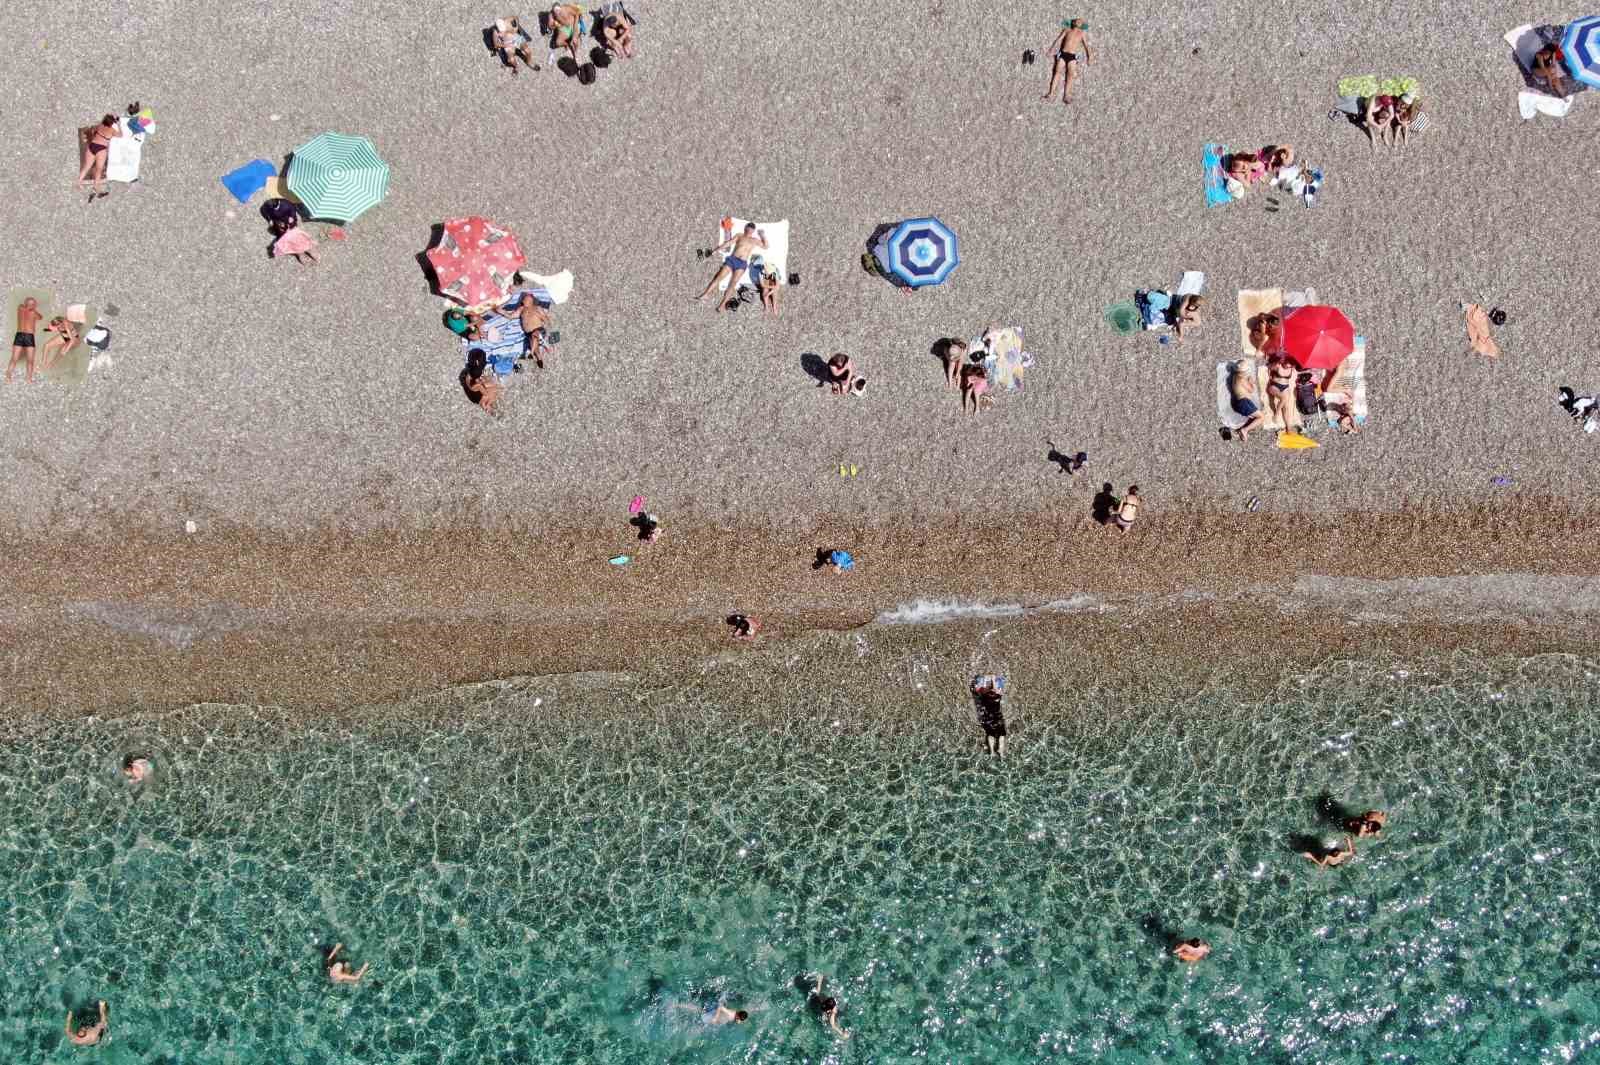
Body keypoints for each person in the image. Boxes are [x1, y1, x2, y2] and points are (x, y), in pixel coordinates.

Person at [695, 224, 768, 312]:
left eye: (751, 229)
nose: (749, 230)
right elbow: (728, 243)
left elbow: (766, 246)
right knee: (718, 278)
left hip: (742, 264)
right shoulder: (739, 235)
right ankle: (705, 295)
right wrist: (715, 250)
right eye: (748, 228)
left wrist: (762, 235)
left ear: (753, 231)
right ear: (745, 228)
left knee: (732, 284)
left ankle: (722, 305)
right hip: (732, 259)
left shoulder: (754, 240)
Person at [1041, 19, 1092, 104]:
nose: (1078, 22)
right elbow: (1058, 40)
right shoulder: (1067, 30)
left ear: (1081, 25)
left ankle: (1066, 95)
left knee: (1070, 75)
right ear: (1073, 22)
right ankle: (1051, 93)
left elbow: (1086, 46)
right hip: (1063, 54)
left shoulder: (1082, 33)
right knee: (1057, 72)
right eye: (1077, 20)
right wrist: (1051, 50)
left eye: (1080, 22)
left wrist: (1089, 57)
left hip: (1072, 56)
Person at [504, 293, 554, 368]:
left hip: (539, 329)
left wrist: (541, 317)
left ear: (531, 300)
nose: (523, 300)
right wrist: (501, 311)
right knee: (534, 343)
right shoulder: (521, 309)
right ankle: (539, 358)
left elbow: (546, 319)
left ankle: (531, 353)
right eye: (523, 299)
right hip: (528, 333)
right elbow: (510, 316)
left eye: (525, 299)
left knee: (535, 334)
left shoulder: (537, 308)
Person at [77, 115, 118, 199]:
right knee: (99, 169)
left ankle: (78, 183)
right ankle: (97, 188)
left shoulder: (99, 126)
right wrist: (118, 124)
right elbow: (120, 135)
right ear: (112, 123)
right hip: (101, 149)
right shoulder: (112, 130)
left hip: (92, 146)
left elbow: (93, 130)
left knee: (86, 166)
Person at [1226, 360, 1266, 441]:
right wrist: (1251, 382)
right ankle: (1244, 430)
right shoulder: (1242, 379)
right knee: (1261, 417)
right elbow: (1251, 390)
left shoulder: (1235, 376)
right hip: (1243, 403)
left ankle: (1240, 430)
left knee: (1254, 416)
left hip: (1238, 402)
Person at [8, 296, 43, 384]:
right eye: (34, 303)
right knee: (30, 360)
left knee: (14, 358)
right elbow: (40, 317)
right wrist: (34, 310)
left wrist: (29, 306)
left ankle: (8, 375)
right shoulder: (34, 312)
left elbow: (22, 306)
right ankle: (28, 379)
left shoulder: (20, 308)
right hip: (29, 336)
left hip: (19, 335)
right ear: (33, 305)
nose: (34, 305)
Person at [460, 349, 502, 416]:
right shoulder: (477, 385)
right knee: (494, 391)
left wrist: (485, 384)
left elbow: (479, 383)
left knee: (494, 388)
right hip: (477, 395)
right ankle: (487, 406)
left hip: (475, 389)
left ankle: (487, 405)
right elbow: (486, 391)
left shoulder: (471, 377)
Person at [972, 676, 1007, 757]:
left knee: (990, 733)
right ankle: (1000, 750)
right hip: (997, 716)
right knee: (1001, 733)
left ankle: (991, 752)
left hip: (987, 717)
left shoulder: (984, 696)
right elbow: (995, 689)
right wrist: (993, 678)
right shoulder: (997, 695)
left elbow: (979, 690)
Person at [808, 974, 850, 1040]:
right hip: (821, 1007)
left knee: (818, 996)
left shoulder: (831, 1014)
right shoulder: (833, 1011)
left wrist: (820, 981)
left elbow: (833, 1025)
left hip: (818, 1005)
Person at [1264, 356, 1295, 426]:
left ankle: (1288, 426)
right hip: (1275, 386)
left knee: (1286, 406)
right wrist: (1270, 377)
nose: (1288, 367)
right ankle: (1276, 414)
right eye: (1287, 365)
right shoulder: (1278, 365)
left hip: (1285, 387)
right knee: (1284, 399)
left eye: (1290, 366)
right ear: (1285, 361)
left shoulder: (1291, 368)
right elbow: (1269, 367)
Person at [673, 1001, 750, 1026]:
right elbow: (721, 1007)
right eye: (740, 1019)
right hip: (712, 1016)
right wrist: (715, 1018)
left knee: (698, 1010)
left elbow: (737, 1019)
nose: (739, 1021)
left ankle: (678, 1005)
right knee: (698, 1014)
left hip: (715, 1016)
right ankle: (678, 1006)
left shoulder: (736, 1013)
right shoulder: (731, 1014)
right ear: (738, 1016)